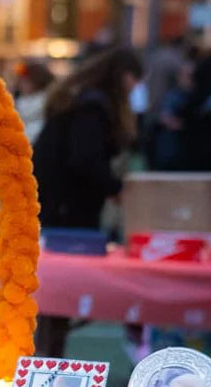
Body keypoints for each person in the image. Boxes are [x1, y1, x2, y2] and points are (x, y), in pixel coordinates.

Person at [32, 47, 143, 357]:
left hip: (56, 203)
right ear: (123, 77)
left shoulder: (79, 98)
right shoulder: (92, 107)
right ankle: (49, 356)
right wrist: (116, 188)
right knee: (61, 290)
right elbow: (85, 160)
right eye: (135, 80)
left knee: (54, 290)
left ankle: (47, 353)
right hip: (69, 209)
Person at [13, 61, 55, 145]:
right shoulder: (20, 102)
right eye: (21, 81)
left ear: (37, 81)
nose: (21, 84)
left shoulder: (47, 103)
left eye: (26, 81)